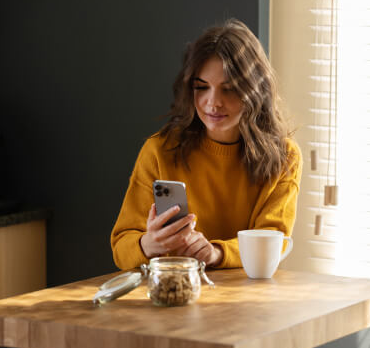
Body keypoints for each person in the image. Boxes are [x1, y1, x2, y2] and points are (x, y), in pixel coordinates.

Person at [110, 19, 302, 270]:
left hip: (247, 299)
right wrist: (149, 244)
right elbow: (121, 248)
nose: (213, 103)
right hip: (174, 295)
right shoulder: (159, 151)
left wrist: (216, 253)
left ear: (255, 90)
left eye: (229, 89)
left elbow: (275, 242)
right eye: (202, 87)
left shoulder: (284, 156)